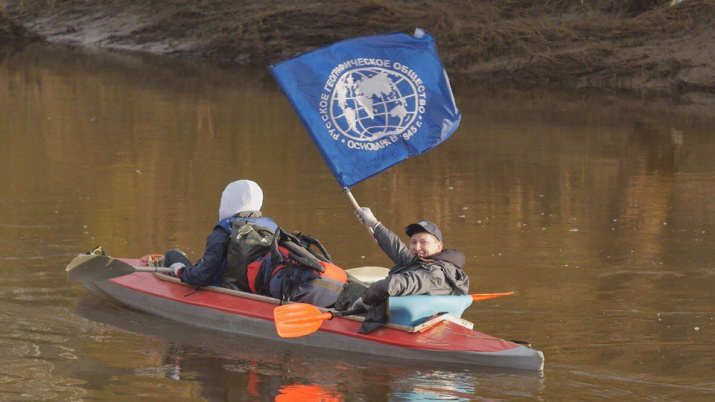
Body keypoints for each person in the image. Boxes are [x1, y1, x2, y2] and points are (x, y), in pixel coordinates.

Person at [351, 207, 470, 330]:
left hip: (405, 325)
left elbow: (393, 284)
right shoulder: (426, 262)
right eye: (413, 242)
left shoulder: (435, 273)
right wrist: (373, 223)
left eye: (424, 243)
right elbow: (396, 247)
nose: (417, 248)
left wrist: (364, 300)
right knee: (353, 288)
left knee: (351, 291)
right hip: (400, 315)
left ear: (439, 246)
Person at [164, 180, 278, 288]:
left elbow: (201, 277)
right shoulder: (272, 226)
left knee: (172, 254)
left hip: (223, 289)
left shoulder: (225, 230)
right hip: (255, 288)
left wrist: (180, 271)